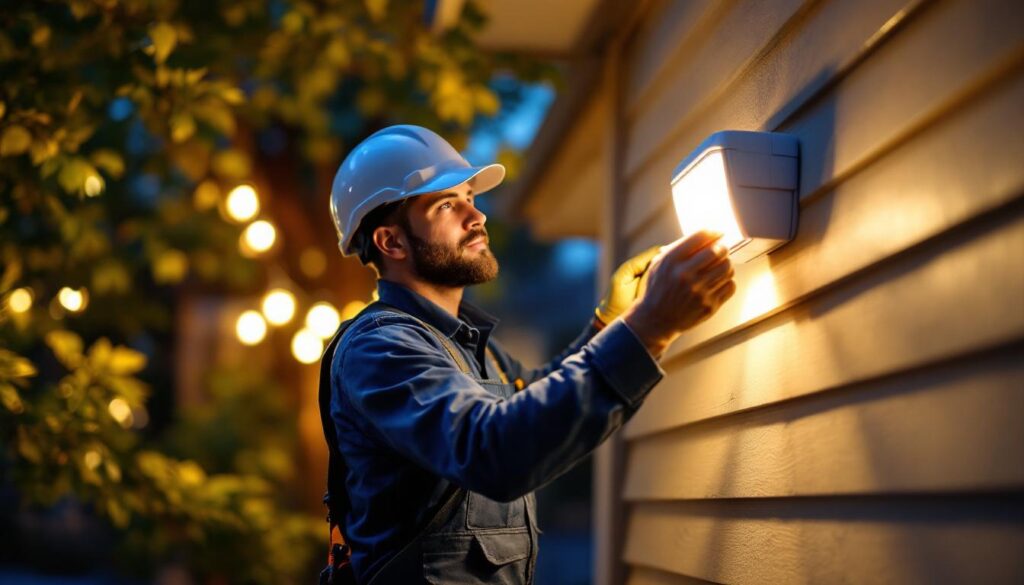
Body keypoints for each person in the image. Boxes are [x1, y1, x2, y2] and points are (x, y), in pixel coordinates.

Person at [322, 125, 736, 584]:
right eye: (446, 204)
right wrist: (649, 328)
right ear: (391, 242)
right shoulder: (380, 350)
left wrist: (607, 326)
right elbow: (494, 450)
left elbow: (531, 406)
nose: (475, 216)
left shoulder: (469, 347)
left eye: (469, 197)